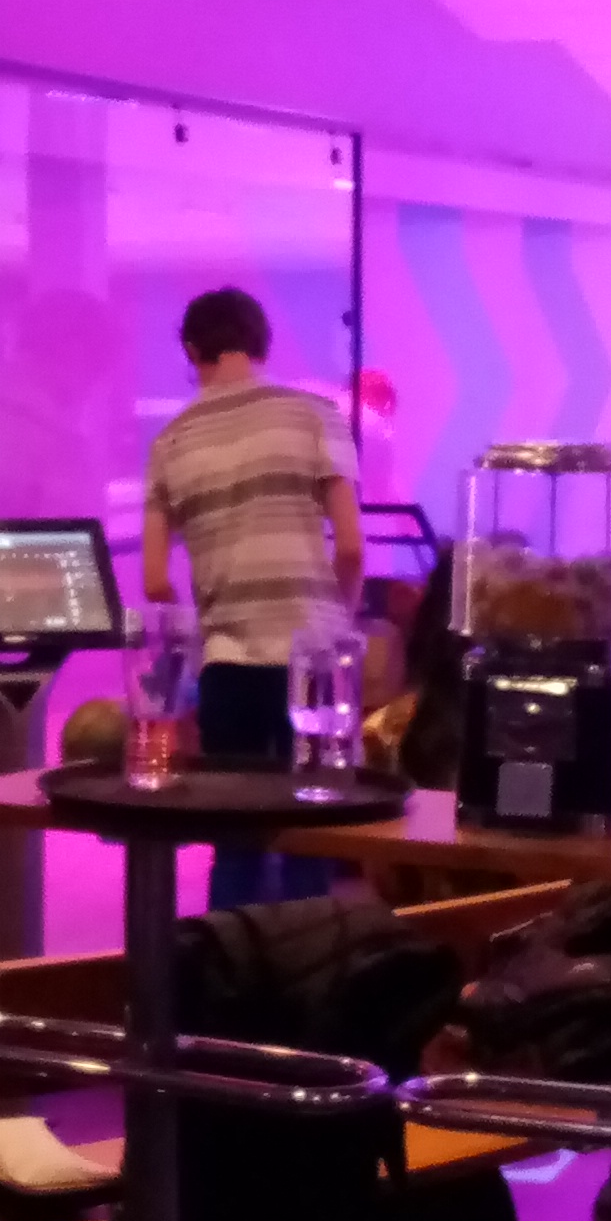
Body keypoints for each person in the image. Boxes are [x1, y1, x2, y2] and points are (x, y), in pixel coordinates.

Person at [141, 286, 361, 909]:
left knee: (235, 838)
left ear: (192, 349)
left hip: (229, 661)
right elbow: (350, 548)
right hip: (309, 660)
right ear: (261, 343)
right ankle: (307, 983)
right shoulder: (314, 416)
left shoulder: (171, 442)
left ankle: (226, 979)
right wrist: (334, 623)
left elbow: (156, 581)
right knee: (307, 836)